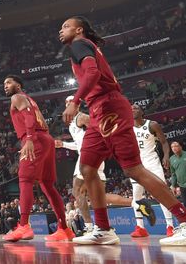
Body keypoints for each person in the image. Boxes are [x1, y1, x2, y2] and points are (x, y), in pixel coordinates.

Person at [60, 16, 186, 245]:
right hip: (99, 111)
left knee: (133, 169)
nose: (60, 31)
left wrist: (76, 101)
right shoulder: (86, 47)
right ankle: (104, 229)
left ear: (79, 29)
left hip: (108, 107)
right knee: (88, 168)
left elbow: (92, 74)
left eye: (65, 26)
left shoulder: (79, 44)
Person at [2, 75, 74, 242]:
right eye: (4, 84)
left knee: (25, 179)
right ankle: (64, 228)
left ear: (18, 85)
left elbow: (29, 118)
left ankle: (24, 225)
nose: (5, 86)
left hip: (35, 139)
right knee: (47, 185)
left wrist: (29, 139)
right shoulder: (29, 99)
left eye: (9, 82)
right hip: (46, 138)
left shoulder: (17, 97)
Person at [55, 96, 132, 234]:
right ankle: (135, 203)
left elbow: (100, 131)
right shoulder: (73, 123)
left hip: (90, 155)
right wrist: (63, 144)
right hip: (92, 155)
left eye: (71, 102)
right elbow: (80, 144)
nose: (68, 104)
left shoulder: (81, 117)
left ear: (77, 105)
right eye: (66, 102)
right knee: (97, 195)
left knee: (77, 191)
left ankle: (89, 227)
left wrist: (104, 148)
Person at [130, 103, 175, 237]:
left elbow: (164, 142)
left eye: (136, 108)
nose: (133, 110)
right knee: (136, 197)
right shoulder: (128, 127)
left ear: (142, 111)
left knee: (162, 193)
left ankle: (170, 226)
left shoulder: (152, 124)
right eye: (130, 109)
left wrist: (166, 155)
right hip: (137, 165)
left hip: (152, 163)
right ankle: (140, 228)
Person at [170, 142, 186, 212]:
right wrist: (173, 186)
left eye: (176, 146)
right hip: (183, 186)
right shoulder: (171, 159)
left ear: (181, 147)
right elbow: (173, 173)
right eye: (172, 147)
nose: (174, 148)